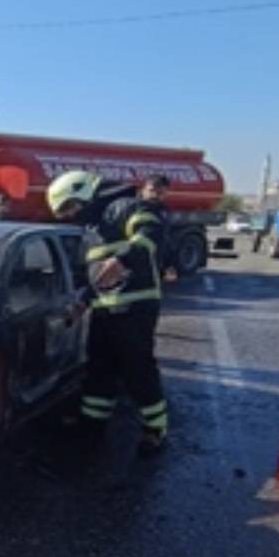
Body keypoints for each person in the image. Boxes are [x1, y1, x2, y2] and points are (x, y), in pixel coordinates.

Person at [47, 170, 169, 456]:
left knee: (138, 370)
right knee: (100, 369)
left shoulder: (126, 207)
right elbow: (98, 277)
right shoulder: (94, 230)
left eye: (70, 206)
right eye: (65, 211)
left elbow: (151, 233)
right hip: (105, 310)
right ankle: (91, 425)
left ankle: (155, 429)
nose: (70, 214)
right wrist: (84, 302)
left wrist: (121, 258)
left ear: (84, 192)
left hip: (135, 307)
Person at [139, 174, 178, 282]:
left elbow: (165, 240)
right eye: (151, 190)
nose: (155, 195)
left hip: (153, 269)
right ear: (143, 190)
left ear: (166, 194)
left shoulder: (163, 212)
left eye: (160, 193)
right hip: (129, 268)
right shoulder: (130, 209)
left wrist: (170, 265)